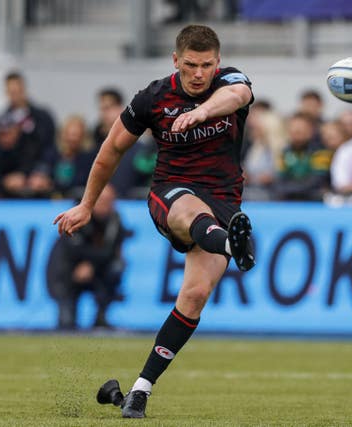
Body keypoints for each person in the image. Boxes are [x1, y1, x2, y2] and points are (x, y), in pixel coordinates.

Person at [53, 24, 255, 418]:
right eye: (191, 65)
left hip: (225, 199)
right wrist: (86, 204)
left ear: (218, 61)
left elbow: (237, 96)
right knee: (190, 211)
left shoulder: (230, 81)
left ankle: (139, 391)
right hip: (171, 191)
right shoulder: (153, 98)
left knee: (194, 296)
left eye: (207, 65)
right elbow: (110, 151)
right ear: (175, 61)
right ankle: (231, 243)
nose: (200, 74)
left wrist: (200, 112)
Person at [50, 184, 127, 330]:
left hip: (99, 270)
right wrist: (84, 262)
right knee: (66, 324)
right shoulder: (75, 216)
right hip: (69, 269)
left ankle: (101, 316)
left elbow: (112, 252)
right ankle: (67, 315)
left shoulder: (115, 220)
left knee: (117, 267)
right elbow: (72, 248)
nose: (106, 206)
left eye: (110, 202)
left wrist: (90, 263)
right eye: (102, 201)